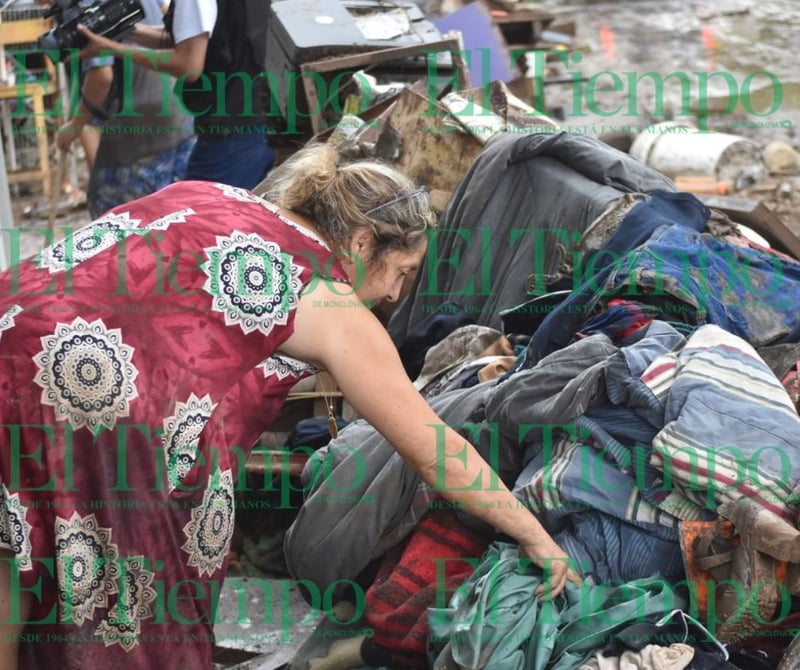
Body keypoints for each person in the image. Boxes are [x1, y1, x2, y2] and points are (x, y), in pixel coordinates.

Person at [0, 143, 576, 670]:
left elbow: (161, 310)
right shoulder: (325, 293)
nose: (397, 295)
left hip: (12, 329)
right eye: (401, 272)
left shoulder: (218, 196)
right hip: (73, 384)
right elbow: (435, 449)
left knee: (15, 549)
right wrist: (533, 535)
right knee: (136, 579)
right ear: (361, 243)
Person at [74, 0, 275, 190]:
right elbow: (188, 39)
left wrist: (113, 49)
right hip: (261, 115)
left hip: (231, 133)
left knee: (198, 219)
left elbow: (188, 65)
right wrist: (124, 31)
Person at [55, 0, 195, 217]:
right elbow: (172, 26)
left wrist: (74, 125)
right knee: (179, 219)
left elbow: (101, 76)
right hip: (180, 121)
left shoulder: (80, 8)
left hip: (139, 135)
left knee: (112, 220)